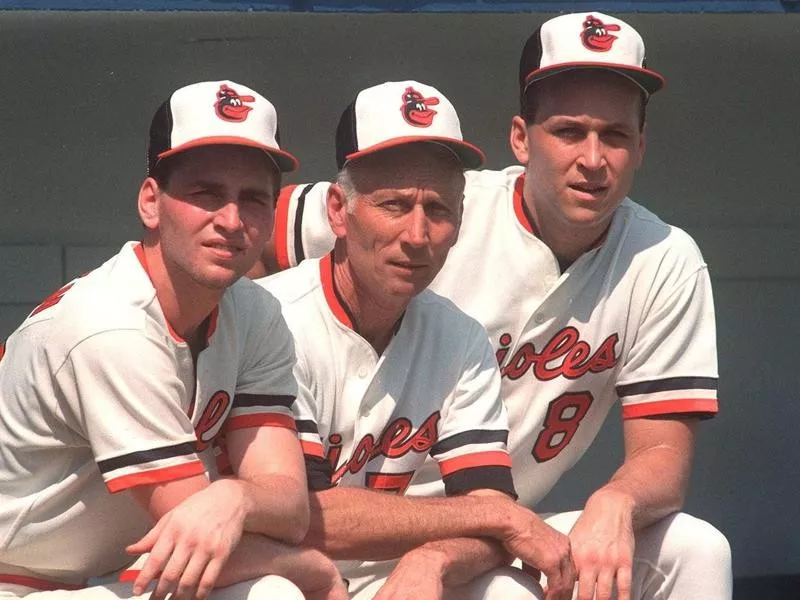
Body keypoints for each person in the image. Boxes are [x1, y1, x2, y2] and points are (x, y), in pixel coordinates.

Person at [260, 13, 733, 600]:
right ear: (520, 138)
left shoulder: (664, 259)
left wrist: (618, 499)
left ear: (641, 145)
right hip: (342, 533)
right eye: (568, 131)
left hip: (479, 534)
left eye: (614, 135)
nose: (593, 158)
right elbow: (242, 224)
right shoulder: (437, 204)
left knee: (696, 548)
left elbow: (662, 452)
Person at [0, 80, 345, 600]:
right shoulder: (109, 326)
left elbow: (288, 507)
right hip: (21, 582)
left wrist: (236, 499)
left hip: (121, 576)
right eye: (206, 194)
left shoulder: (255, 313)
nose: (231, 221)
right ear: (151, 203)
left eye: (252, 199)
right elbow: (197, 534)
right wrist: (317, 571)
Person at [255, 80, 576, 600]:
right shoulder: (272, 321)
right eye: (394, 205)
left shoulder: (461, 339)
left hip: (396, 577)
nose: (418, 234)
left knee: (507, 589)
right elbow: (305, 519)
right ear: (338, 210)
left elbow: (495, 519)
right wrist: (492, 517)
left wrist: (436, 556)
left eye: (439, 210)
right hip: (280, 574)